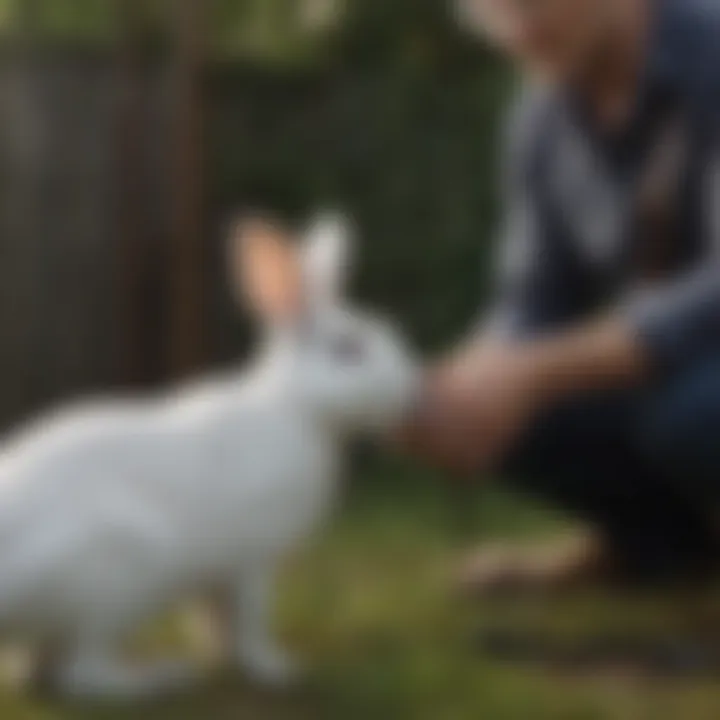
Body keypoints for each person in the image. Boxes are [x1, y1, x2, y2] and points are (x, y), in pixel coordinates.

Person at [404, 0, 720, 590]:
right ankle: (664, 550)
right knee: (515, 414)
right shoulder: (540, 120)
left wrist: (534, 371)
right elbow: (532, 300)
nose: (514, 27)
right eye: (486, 8)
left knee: (695, 413)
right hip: (682, 371)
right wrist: (461, 388)